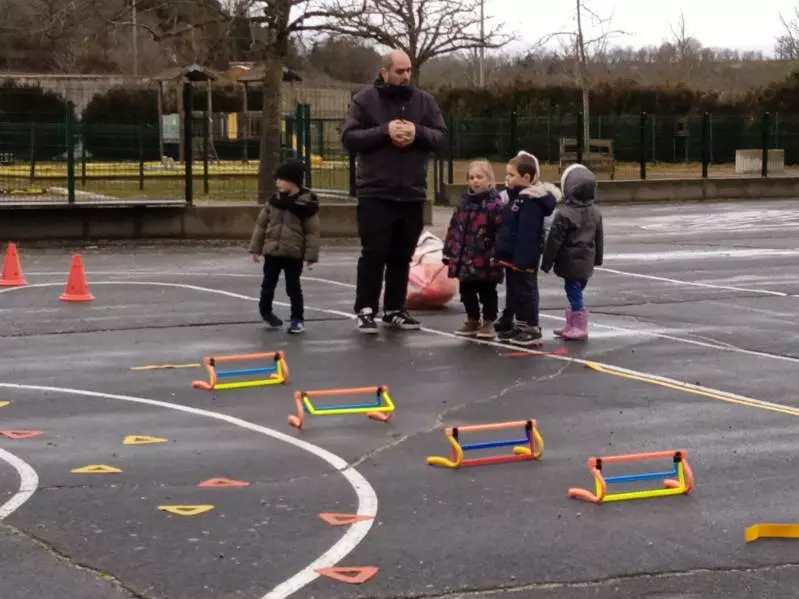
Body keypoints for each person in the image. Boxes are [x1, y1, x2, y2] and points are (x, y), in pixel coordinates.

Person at [341, 49, 448, 334]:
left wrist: (417, 132)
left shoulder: (424, 102)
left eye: (408, 70)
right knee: (374, 253)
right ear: (384, 71)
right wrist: (384, 131)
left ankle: (395, 309)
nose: (405, 76)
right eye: (399, 71)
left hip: (411, 191)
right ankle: (365, 309)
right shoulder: (364, 101)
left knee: (402, 255)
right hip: (376, 191)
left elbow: (440, 136)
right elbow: (350, 138)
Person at [494, 153, 561, 346]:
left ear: (526, 178)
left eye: (511, 174)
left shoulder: (531, 202)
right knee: (515, 291)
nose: (507, 178)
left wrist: (522, 259)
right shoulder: (516, 199)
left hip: (524, 258)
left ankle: (532, 327)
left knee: (527, 291)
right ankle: (520, 325)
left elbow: (528, 233)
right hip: (513, 257)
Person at [248, 158, 320, 335]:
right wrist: (256, 249)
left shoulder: (306, 206)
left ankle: (297, 319)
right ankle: (266, 312)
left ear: (293, 181)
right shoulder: (273, 202)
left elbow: (312, 233)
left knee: (293, 287)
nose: (277, 183)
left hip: (293, 254)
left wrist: (310, 256)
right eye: (277, 179)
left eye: (281, 179)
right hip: (272, 251)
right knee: (268, 285)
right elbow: (261, 226)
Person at [541, 163, 604, 340]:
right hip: (586, 261)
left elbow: (554, 240)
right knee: (576, 289)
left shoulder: (564, 214)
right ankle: (572, 324)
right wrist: (597, 259)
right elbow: (599, 238)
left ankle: (579, 325)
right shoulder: (595, 212)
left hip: (570, 261)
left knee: (573, 290)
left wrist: (547, 263)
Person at [442, 160, 504, 339]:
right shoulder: (464, 204)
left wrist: (497, 253)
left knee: (487, 292)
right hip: (465, 256)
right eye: (472, 177)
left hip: (486, 258)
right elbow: (454, 228)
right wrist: (449, 250)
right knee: (466, 291)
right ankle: (472, 319)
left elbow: (500, 232)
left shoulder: (495, 206)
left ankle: (489, 321)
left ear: (489, 179)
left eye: (479, 177)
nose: (475, 181)